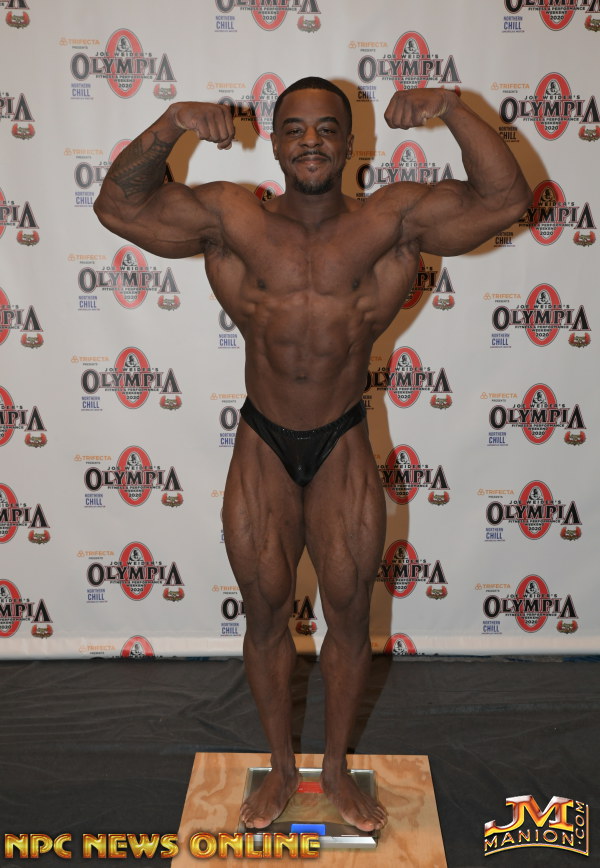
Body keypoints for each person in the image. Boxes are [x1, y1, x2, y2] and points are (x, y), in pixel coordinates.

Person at [94, 78, 531, 832]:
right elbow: (118, 207)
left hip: (341, 439)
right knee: (265, 611)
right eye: (295, 128)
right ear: (274, 141)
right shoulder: (232, 217)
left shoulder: (392, 220)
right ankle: (281, 768)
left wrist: (453, 108)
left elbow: (504, 201)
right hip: (263, 439)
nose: (311, 141)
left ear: (350, 141)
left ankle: (333, 769)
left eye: (327, 128)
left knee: (350, 610)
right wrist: (169, 123)